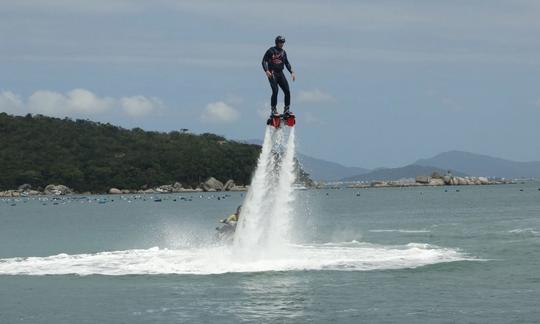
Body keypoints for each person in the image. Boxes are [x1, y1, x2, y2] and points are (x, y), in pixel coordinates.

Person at [262, 35, 296, 116]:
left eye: (283, 42)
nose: (282, 44)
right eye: (280, 42)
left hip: (280, 73)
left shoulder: (283, 52)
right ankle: (273, 109)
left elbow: (287, 63)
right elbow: (263, 61)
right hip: (272, 73)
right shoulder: (271, 50)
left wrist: (292, 72)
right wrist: (266, 70)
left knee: (287, 91)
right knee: (275, 90)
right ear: (277, 42)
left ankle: (286, 109)